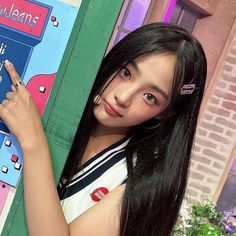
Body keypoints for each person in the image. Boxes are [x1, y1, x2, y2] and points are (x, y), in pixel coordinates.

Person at [0, 23, 207, 236]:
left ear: (165, 112)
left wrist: (34, 144)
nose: (123, 97)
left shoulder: (142, 183)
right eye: (126, 72)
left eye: (150, 97)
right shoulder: (56, 107)